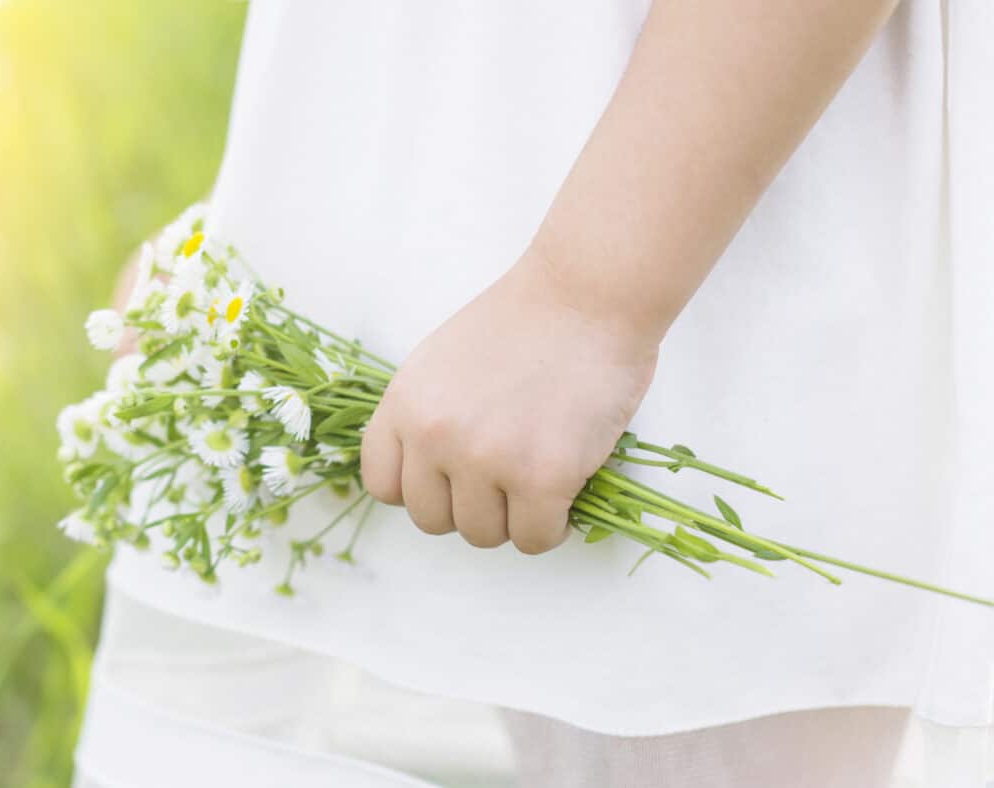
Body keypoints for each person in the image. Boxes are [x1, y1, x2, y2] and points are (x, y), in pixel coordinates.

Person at [75, 1, 994, 785]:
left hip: (682, 226)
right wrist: (263, 231)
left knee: (696, 703)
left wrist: (591, 301)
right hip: (438, 235)